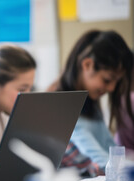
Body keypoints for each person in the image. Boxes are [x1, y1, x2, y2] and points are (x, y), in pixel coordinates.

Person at [49, 30, 133, 171]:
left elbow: (111, 149)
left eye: (116, 82)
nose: (112, 88)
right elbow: (100, 159)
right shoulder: (61, 106)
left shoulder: (90, 102)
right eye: (107, 80)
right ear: (87, 65)